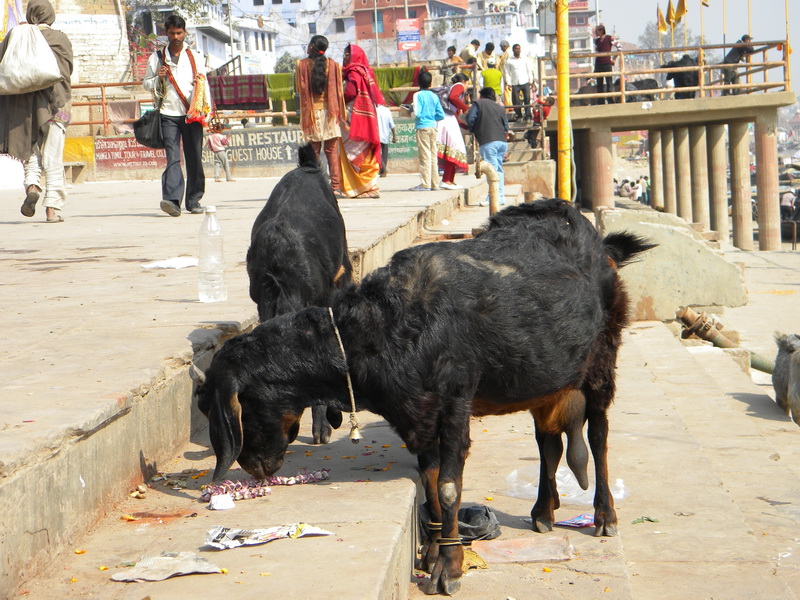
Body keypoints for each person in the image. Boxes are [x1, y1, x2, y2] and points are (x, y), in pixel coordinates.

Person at [0, 0, 73, 223]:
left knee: (30, 152)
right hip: (55, 107)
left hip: (24, 108)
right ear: (50, 15)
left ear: (31, 14)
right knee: (53, 158)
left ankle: (32, 185)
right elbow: (67, 69)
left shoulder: (15, 35)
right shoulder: (59, 38)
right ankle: (52, 209)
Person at [143, 13, 212, 217]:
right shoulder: (156, 57)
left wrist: (206, 112)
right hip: (167, 113)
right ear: (166, 33)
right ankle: (172, 200)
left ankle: (194, 200)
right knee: (172, 157)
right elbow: (146, 83)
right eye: (172, 33)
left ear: (184, 33)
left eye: (179, 33)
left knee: (194, 158)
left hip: (191, 114)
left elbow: (203, 84)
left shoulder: (195, 57)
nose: (175, 36)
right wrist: (157, 78)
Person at [295, 34, 346, 196]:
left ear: (311, 46)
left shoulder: (301, 65)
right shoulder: (334, 66)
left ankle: (316, 187)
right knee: (332, 151)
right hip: (331, 113)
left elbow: (298, 90)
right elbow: (339, 91)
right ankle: (335, 187)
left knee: (314, 151)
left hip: (312, 114)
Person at [340, 43, 384, 199]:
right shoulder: (363, 72)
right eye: (344, 54)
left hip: (355, 116)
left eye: (347, 55)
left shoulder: (354, 73)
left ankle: (366, 187)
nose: (344, 57)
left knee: (356, 151)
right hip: (365, 115)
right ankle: (362, 187)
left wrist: (337, 98)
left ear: (355, 57)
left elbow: (350, 92)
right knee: (364, 150)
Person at [465, 87, 509, 206]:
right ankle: (500, 196)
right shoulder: (500, 108)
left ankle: (494, 198)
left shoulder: (478, 104)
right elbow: (506, 126)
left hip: (488, 140)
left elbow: (470, 118)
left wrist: (473, 129)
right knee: (498, 169)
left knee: (492, 170)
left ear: (482, 96)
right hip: (502, 142)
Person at [409, 70, 445, 192]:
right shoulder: (434, 96)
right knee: (433, 156)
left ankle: (425, 184)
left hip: (422, 127)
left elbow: (417, 113)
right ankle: (435, 183)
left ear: (418, 83)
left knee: (425, 155)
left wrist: (411, 112)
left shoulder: (417, 95)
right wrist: (431, 118)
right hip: (433, 127)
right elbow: (441, 115)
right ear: (430, 83)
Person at [437, 72, 470, 190]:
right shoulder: (459, 85)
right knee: (454, 149)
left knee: (453, 150)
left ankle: (450, 179)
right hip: (447, 120)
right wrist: (466, 108)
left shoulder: (451, 89)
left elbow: (455, 117)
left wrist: (466, 127)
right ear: (465, 82)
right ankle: (446, 179)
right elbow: (453, 97)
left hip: (448, 120)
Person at [504, 43, 535, 122]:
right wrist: (509, 83)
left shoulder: (525, 59)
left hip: (525, 82)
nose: (517, 50)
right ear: (513, 50)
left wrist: (531, 81)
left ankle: (528, 116)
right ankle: (519, 116)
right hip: (514, 83)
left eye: (519, 49)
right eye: (516, 49)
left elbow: (529, 70)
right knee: (516, 101)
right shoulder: (509, 60)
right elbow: (507, 72)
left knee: (527, 99)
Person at [593, 24, 619, 105]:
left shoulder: (609, 38)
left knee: (609, 83)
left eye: (596, 31)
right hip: (598, 64)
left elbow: (619, 47)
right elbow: (596, 52)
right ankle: (601, 102)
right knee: (599, 84)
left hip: (607, 63)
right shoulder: (596, 41)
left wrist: (614, 59)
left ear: (601, 31)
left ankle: (610, 101)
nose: (595, 32)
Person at [376, 103, 396, 177]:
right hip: (385, 136)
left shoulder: (375, 110)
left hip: (377, 135)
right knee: (384, 154)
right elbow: (392, 125)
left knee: (377, 154)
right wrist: (394, 136)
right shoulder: (387, 110)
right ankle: (383, 171)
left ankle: (383, 169)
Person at [496, 40, 513, 106]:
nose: (501, 49)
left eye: (501, 47)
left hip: (508, 75)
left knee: (508, 91)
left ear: (505, 46)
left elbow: (506, 65)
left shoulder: (508, 53)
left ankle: (509, 105)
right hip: (506, 75)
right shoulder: (506, 53)